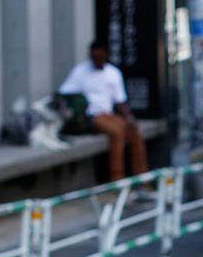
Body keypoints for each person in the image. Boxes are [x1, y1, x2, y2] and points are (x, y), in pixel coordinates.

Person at [58, 40, 149, 183]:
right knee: (117, 133)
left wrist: (129, 117)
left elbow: (120, 100)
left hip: (109, 114)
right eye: (94, 57)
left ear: (106, 55)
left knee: (134, 132)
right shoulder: (80, 71)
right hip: (90, 117)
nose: (97, 60)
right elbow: (64, 93)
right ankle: (117, 179)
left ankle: (143, 179)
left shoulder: (113, 73)